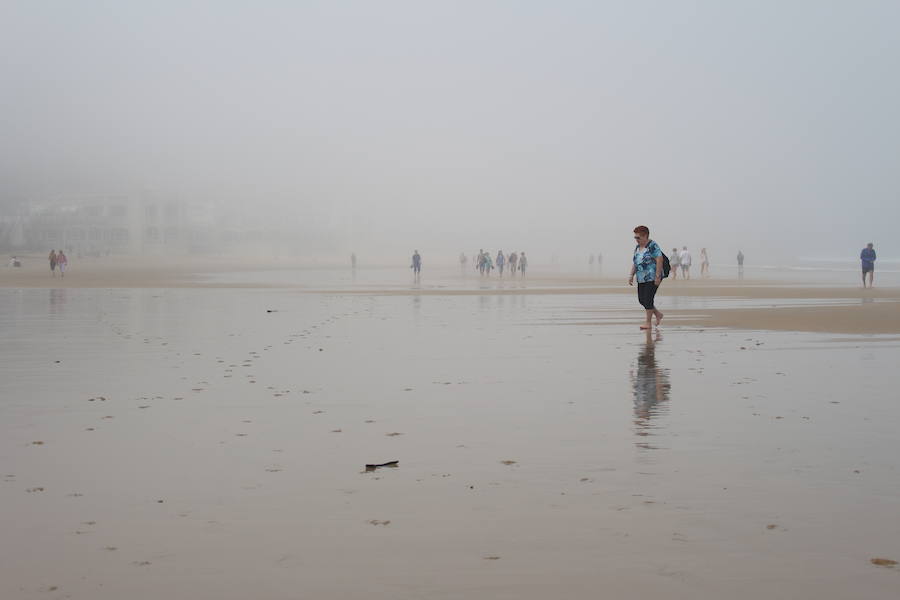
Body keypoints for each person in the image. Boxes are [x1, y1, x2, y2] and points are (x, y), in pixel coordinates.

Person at [628, 226, 664, 330]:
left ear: (645, 236)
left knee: (648, 299)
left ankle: (648, 323)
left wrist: (657, 276)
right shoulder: (637, 248)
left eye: (638, 237)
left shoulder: (652, 245)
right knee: (642, 300)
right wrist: (631, 275)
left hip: (652, 277)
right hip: (641, 278)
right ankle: (658, 314)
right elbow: (635, 262)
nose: (636, 240)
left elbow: (659, 259)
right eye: (635, 237)